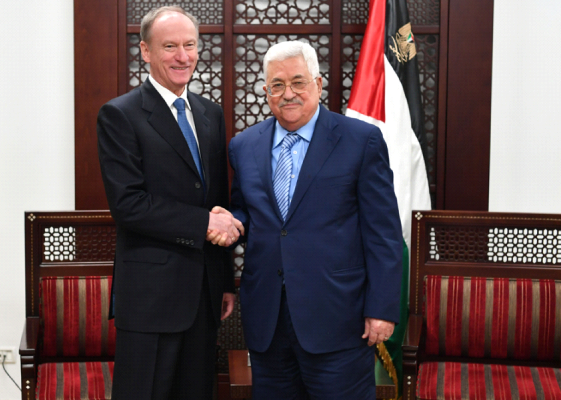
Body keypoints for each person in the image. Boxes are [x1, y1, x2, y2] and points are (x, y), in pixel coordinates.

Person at [225, 40, 403, 399]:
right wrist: (228, 220)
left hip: (339, 319)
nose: (287, 93)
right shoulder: (243, 146)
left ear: (318, 85)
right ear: (265, 91)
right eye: (277, 85)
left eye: (298, 81)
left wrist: (382, 309)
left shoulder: (360, 140)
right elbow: (248, 212)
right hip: (268, 320)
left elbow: (383, 233)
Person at [97, 6, 243, 399]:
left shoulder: (210, 114)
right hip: (150, 299)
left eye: (190, 45)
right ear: (145, 51)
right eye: (170, 46)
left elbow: (216, 202)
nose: (183, 56)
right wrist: (203, 225)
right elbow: (128, 204)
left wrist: (225, 280)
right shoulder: (120, 115)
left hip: (204, 296)